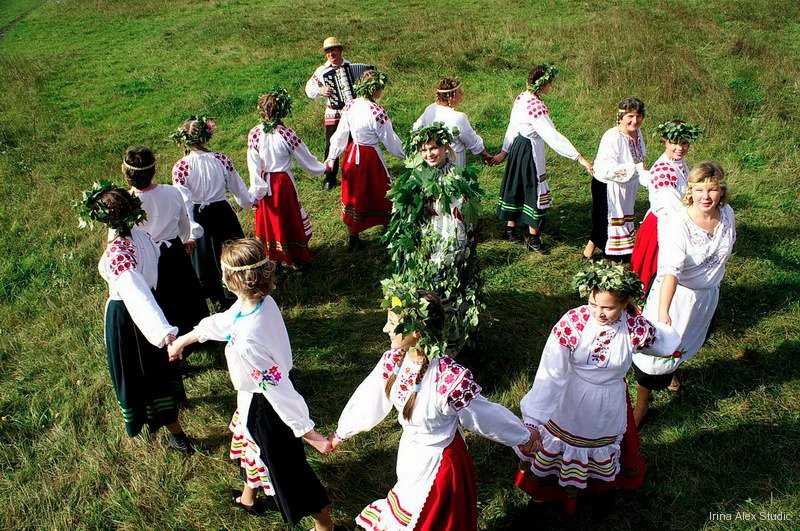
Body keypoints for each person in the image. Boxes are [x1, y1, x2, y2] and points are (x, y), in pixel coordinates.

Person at [330, 289, 538, 530]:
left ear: (417, 333)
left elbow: (484, 416)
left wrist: (522, 436)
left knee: (432, 520)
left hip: (442, 469)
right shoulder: (394, 360)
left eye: (392, 323)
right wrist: (342, 433)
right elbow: (371, 396)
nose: (385, 329)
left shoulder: (448, 380)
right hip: (411, 456)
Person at [167, 239, 333, 529]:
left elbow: (277, 390)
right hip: (255, 397)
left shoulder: (247, 338)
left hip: (267, 407)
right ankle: (249, 498)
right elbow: (226, 321)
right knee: (251, 450)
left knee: (290, 473)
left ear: (231, 280)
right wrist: (185, 338)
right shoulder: (259, 302)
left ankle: (325, 525)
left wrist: (308, 431)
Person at [515, 260, 680, 515]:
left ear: (625, 304)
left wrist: (672, 341)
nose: (599, 313)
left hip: (607, 401)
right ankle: (546, 492)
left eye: (608, 307)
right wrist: (536, 416)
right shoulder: (574, 322)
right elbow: (551, 370)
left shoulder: (633, 327)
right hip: (571, 397)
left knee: (595, 450)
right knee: (561, 444)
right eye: (593, 304)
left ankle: (589, 491)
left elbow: (663, 341)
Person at [77, 181, 192, 452]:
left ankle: (176, 434)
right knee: (158, 372)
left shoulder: (119, 254)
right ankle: (175, 406)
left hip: (131, 318)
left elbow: (136, 294)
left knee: (147, 375)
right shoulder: (141, 235)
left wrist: (164, 333)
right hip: (153, 302)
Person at [632, 162, 736, 425]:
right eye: (699, 189)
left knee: (688, 342)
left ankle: (672, 372)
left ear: (721, 191)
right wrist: (663, 311)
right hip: (677, 296)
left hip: (705, 297)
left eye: (712, 190)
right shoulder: (677, 223)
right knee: (653, 356)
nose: (706, 196)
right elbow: (670, 270)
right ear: (690, 190)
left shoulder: (727, 215)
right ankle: (642, 403)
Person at [492, 64, 593, 252]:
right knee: (532, 188)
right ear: (543, 84)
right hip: (529, 151)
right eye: (550, 83)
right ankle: (534, 238)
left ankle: (510, 229)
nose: (551, 87)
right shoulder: (536, 107)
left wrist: (505, 151)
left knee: (517, 185)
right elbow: (552, 136)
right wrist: (579, 157)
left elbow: (512, 126)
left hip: (517, 148)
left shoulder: (522, 97)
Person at [123, 146, 209, 339]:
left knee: (159, 299)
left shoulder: (126, 203)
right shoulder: (172, 192)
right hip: (175, 252)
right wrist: (186, 240)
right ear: (153, 170)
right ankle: (197, 335)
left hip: (146, 258)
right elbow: (184, 225)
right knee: (185, 293)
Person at [170, 116, 252, 308]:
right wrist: (247, 202)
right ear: (207, 137)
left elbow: (184, 199)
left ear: (184, 139)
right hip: (222, 212)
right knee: (230, 250)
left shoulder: (181, 167)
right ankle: (237, 289)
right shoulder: (221, 159)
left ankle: (217, 296)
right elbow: (237, 187)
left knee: (206, 257)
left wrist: (191, 224)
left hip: (199, 214)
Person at [326, 69, 405, 250]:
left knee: (355, 193)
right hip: (370, 157)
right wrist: (408, 156)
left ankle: (353, 236)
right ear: (374, 89)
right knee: (380, 191)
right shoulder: (377, 111)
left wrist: (332, 157)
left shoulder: (350, 105)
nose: (381, 92)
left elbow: (340, 135)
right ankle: (389, 230)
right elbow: (391, 141)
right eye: (380, 89)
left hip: (352, 155)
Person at [247, 88, 326, 269]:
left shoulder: (255, 133)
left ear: (261, 111)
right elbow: (305, 157)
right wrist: (322, 168)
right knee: (288, 217)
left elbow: (253, 165)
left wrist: (256, 191)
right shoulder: (286, 133)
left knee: (272, 219)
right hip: (283, 183)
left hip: (265, 183)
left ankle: (275, 257)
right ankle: (293, 255)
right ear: (282, 111)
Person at [631, 120, 702, 294]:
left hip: (673, 220)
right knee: (658, 271)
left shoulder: (678, 163)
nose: (680, 148)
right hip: (663, 226)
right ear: (665, 141)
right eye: (675, 143)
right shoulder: (664, 170)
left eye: (684, 143)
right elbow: (672, 207)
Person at [305, 36, 373, 190]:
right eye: (328, 51)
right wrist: (320, 90)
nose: (331, 54)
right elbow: (309, 88)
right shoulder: (322, 71)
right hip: (333, 112)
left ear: (340, 50)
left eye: (333, 50)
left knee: (354, 142)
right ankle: (330, 177)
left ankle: (356, 174)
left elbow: (369, 76)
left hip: (352, 112)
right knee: (331, 144)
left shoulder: (351, 66)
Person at [587, 97, 647, 260]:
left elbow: (640, 158)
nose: (635, 121)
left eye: (638, 116)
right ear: (621, 117)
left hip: (626, 186)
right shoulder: (612, 137)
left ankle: (598, 251)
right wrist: (633, 170)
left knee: (621, 218)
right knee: (604, 221)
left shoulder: (638, 134)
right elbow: (605, 168)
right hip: (607, 185)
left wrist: (644, 174)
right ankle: (611, 257)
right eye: (630, 116)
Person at [411, 77, 492, 167]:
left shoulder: (430, 109)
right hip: (454, 162)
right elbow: (472, 141)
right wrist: (485, 155)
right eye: (459, 92)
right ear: (451, 96)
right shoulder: (459, 117)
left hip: (433, 161)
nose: (462, 95)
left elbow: (416, 128)